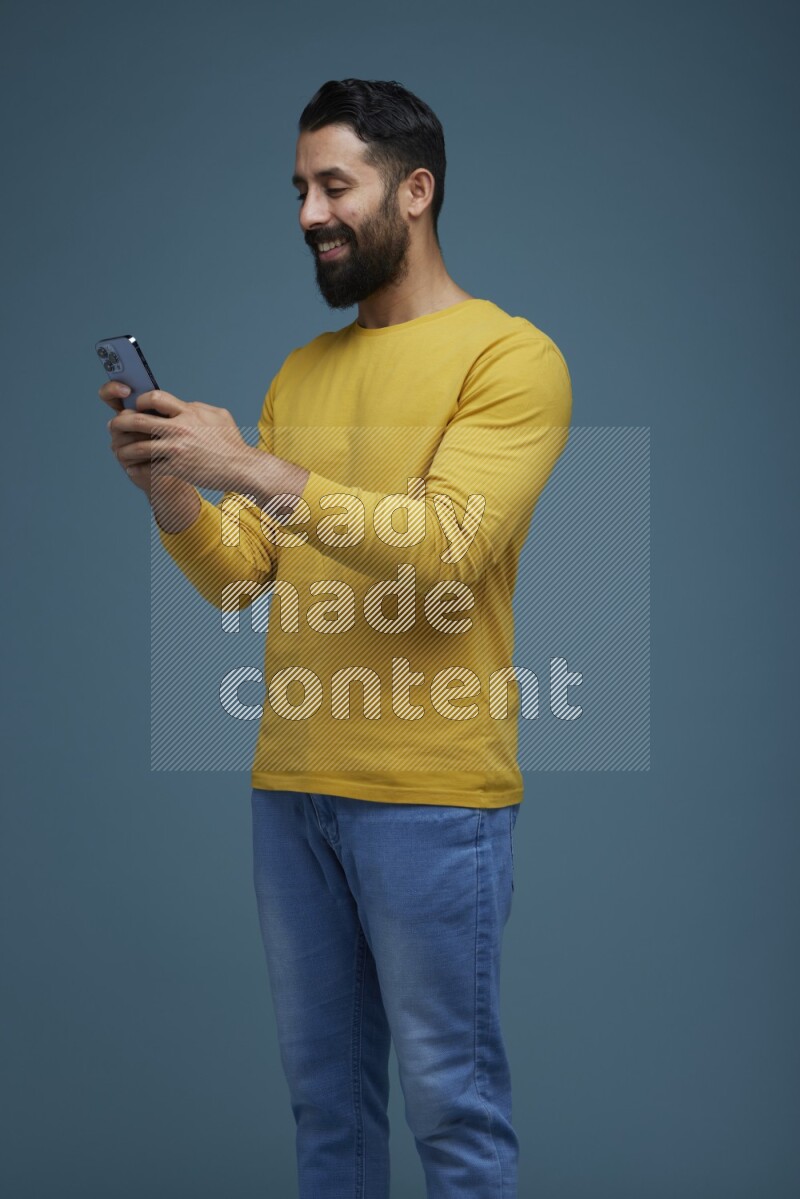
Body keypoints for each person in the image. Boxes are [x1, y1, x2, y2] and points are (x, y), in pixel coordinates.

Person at [100, 77, 572, 1199]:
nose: (310, 213)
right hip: (292, 790)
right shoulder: (302, 370)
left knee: (451, 1103)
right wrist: (175, 488)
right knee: (326, 1108)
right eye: (300, 189)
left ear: (415, 191)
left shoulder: (509, 358)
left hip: (430, 795)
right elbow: (244, 580)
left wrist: (251, 466)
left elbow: (447, 549)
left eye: (334, 185)